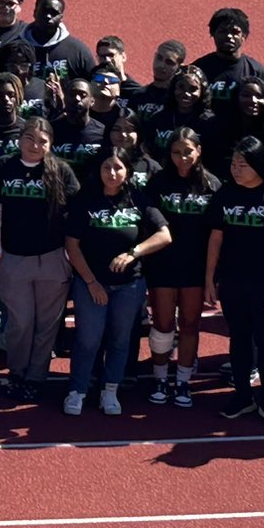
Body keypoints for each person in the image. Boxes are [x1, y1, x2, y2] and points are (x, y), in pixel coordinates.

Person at [65, 147, 169, 416]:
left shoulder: (138, 199)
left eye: (118, 168)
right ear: (98, 171)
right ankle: (77, 390)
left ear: (128, 172)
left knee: (120, 340)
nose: (112, 173)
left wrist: (134, 253)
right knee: (88, 339)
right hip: (91, 285)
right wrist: (91, 282)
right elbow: (72, 246)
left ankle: (110, 390)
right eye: (106, 168)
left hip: (130, 286)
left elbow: (165, 235)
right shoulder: (85, 200)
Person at [0, 116, 78, 402]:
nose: (34, 145)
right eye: (29, 138)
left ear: (50, 144)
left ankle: (36, 377)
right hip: (12, 259)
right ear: (19, 138)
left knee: (47, 323)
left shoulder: (61, 171)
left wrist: (66, 255)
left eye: (42, 141)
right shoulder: (2, 167)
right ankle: (17, 372)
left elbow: (74, 216)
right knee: (20, 321)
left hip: (51, 260)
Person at [204, 143, 264, 425]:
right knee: (239, 341)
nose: (236, 169)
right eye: (233, 163)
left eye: (243, 164)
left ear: (258, 164)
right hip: (233, 282)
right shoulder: (225, 193)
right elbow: (216, 238)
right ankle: (242, 395)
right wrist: (210, 278)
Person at [146, 128, 221, 407]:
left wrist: (212, 275)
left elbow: (217, 234)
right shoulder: (158, 183)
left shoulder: (212, 186)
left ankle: (183, 381)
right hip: (163, 265)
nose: (182, 157)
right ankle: (160, 378)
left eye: (188, 151)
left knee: (190, 324)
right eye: (176, 152)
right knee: (163, 324)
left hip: (195, 268)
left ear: (198, 151)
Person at [193, 8, 264, 109]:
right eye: (222, 31)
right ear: (212, 34)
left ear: (244, 36)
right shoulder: (198, 69)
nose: (228, 36)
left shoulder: (257, 72)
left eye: (235, 32)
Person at [22, 0, 95, 93]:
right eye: (44, 11)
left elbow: (91, 89)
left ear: (61, 18)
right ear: (34, 12)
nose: (48, 16)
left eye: (54, 13)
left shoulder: (77, 51)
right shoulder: (16, 48)